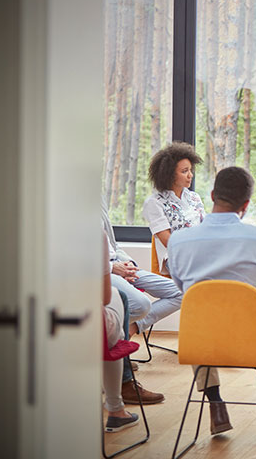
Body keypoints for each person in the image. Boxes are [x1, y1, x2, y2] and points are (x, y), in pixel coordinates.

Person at [168, 166, 256, 442]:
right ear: (246, 205)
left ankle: (216, 405)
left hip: (199, 340)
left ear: (212, 195)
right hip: (252, 338)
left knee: (198, 317)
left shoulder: (178, 240)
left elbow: (181, 288)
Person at [101, 199, 166, 405]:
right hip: (102, 269)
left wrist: (129, 265)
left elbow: (111, 244)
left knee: (181, 291)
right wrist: (112, 269)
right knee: (134, 303)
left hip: (116, 263)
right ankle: (124, 382)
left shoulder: (99, 198)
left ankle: (127, 336)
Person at [142, 142, 206, 275]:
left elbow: (205, 229)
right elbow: (169, 242)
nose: (190, 175)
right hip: (177, 258)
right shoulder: (154, 203)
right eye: (184, 171)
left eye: (190, 170)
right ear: (169, 174)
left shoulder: (194, 197)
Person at [101, 232, 139, 432]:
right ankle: (116, 409)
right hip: (84, 321)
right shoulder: (93, 233)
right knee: (118, 297)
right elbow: (104, 296)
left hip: (42, 318)